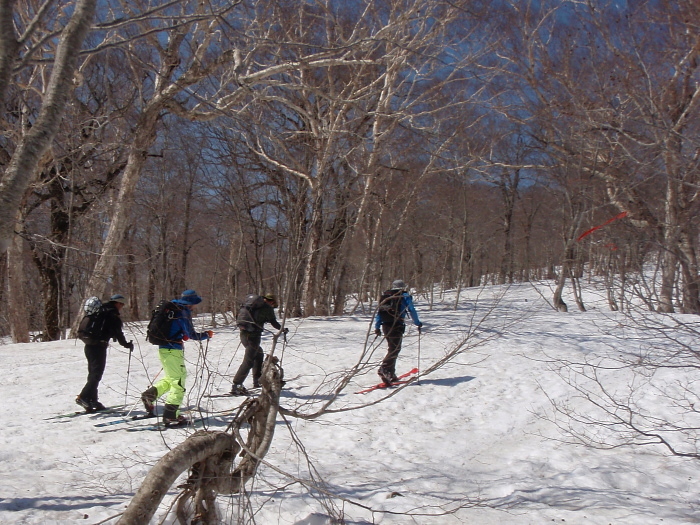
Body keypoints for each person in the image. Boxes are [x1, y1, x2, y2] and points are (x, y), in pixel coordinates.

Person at [140, 289, 213, 427]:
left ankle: (149, 395)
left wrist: (180, 335)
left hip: (164, 349)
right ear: (191, 303)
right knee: (178, 382)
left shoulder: (172, 309)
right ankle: (170, 415)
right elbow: (192, 334)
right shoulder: (182, 313)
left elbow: (180, 331)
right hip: (173, 350)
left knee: (171, 378)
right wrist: (206, 335)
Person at [76, 294, 134, 412]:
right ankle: (83, 397)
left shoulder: (100, 311)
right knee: (96, 374)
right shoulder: (111, 314)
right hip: (98, 347)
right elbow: (118, 333)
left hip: (89, 346)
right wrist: (126, 344)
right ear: (117, 303)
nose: (122, 307)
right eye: (121, 304)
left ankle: (92, 399)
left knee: (93, 374)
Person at [230, 293, 287, 395]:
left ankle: (258, 380)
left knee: (259, 354)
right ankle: (237, 386)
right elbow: (273, 322)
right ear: (271, 301)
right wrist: (282, 329)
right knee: (249, 361)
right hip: (253, 337)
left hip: (244, 335)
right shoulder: (267, 308)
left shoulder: (249, 305)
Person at [374, 280, 422, 385]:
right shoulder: (404, 296)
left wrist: (377, 326)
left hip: (385, 325)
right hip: (397, 325)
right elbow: (412, 310)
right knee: (395, 349)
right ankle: (384, 369)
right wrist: (417, 323)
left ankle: (390, 373)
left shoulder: (386, 296)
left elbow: (379, 313)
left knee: (392, 348)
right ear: (403, 287)